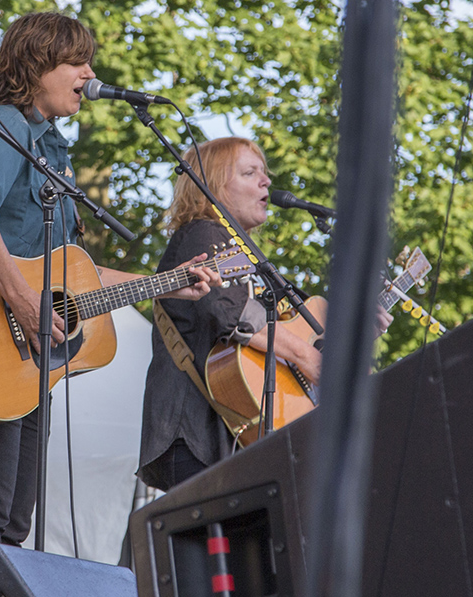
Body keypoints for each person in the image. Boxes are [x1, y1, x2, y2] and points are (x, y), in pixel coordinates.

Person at [0, 12, 220, 594]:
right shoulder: (5, 124)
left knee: (11, 522)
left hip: (28, 357)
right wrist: (22, 299)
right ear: (36, 66)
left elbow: (67, 273)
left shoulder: (51, 150)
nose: (89, 73)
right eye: (76, 61)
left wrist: (165, 282)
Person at [138, 137, 393, 491]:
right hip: (198, 432)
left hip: (233, 434)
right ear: (210, 185)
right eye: (249, 172)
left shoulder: (243, 252)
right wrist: (306, 356)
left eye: (264, 172)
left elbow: (302, 334)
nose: (266, 182)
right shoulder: (203, 233)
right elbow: (228, 311)